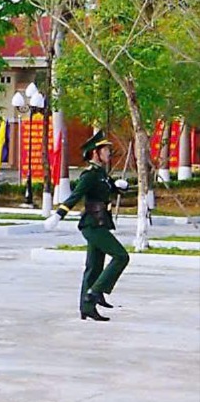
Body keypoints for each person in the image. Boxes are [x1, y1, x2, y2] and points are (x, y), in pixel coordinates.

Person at [55, 131, 128, 322]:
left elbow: (109, 189)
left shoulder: (101, 173)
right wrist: (59, 214)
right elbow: (75, 196)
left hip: (101, 222)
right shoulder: (89, 175)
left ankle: (87, 307)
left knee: (94, 267)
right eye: (105, 150)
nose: (108, 153)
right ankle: (95, 292)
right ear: (95, 153)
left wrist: (120, 187)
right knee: (121, 256)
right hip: (92, 225)